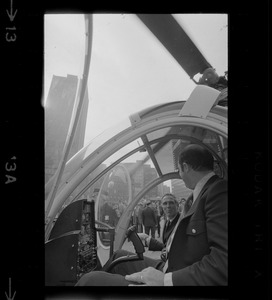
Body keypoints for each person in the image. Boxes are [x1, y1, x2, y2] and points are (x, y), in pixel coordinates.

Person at [76, 144, 227, 286]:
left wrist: (165, 280)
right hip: (170, 265)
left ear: (185, 167)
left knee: (90, 280)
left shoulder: (218, 192)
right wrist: (149, 240)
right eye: (165, 204)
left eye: (179, 170)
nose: (180, 175)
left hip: (177, 275)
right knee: (118, 256)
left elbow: (223, 263)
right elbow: (183, 244)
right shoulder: (199, 195)